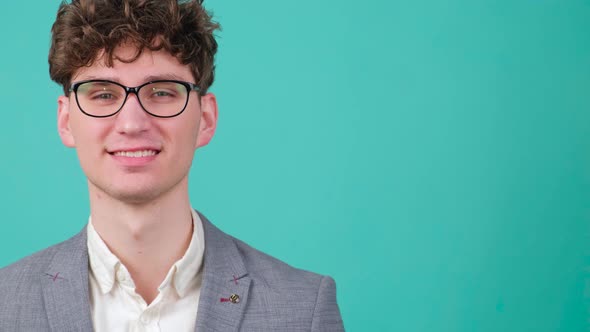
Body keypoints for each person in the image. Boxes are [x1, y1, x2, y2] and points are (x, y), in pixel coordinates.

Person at [0, 0, 344, 330]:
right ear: (65, 121)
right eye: (103, 94)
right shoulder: (6, 303)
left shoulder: (303, 308)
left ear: (206, 119)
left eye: (162, 92)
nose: (132, 123)